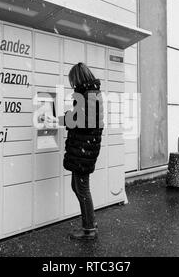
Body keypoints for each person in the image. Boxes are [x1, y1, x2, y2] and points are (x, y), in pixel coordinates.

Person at [63, 62, 104, 241]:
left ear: (78, 78)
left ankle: (89, 229)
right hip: (84, 147)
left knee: (82, 189)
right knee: (78, 187)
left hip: (84, 149)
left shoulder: (89, 96)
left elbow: (85, 123)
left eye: (73, 80)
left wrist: (66, 118)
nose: (72, 83)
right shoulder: (89, 94)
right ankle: (90, 223)